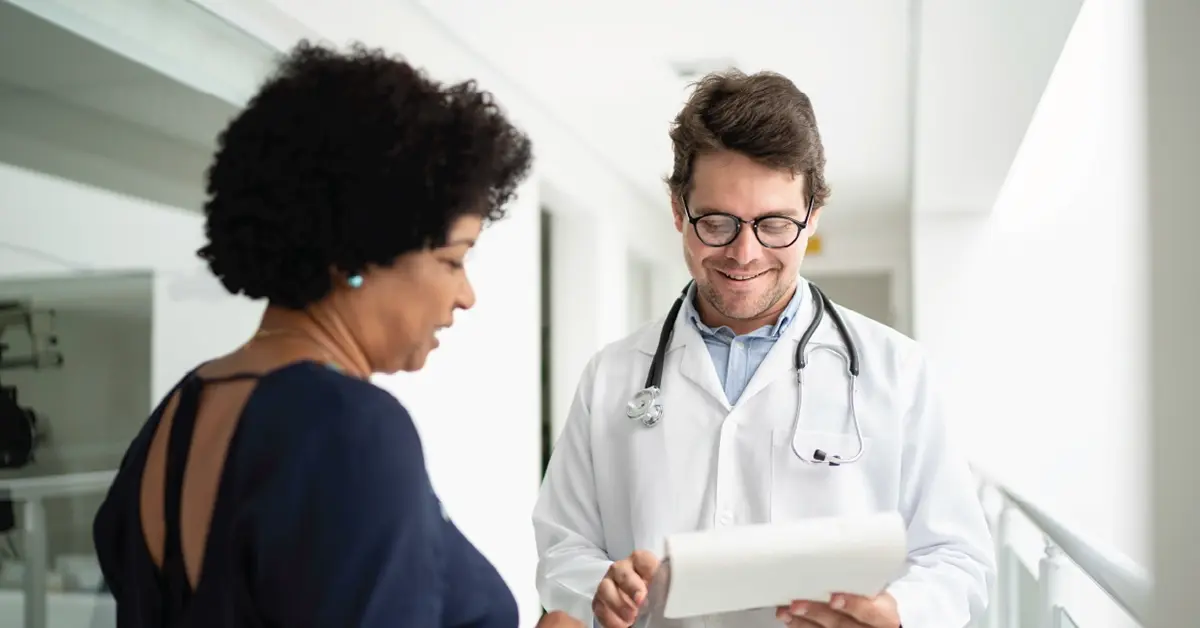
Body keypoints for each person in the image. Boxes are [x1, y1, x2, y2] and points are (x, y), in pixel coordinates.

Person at [92, 41, 579, 628]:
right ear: (359, 251)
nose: (465, 295)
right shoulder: (348, 428)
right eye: (453, 261)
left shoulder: (176, 417)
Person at [532, 69, 995, 628]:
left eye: (774, 224)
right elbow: (563, 549)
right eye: (718, 222)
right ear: (679, 211)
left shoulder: (898, 370)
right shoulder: (611, 376)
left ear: (812, 217)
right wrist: (598, 588)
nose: (745, 253)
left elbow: (957, 559)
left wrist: (899, 614)